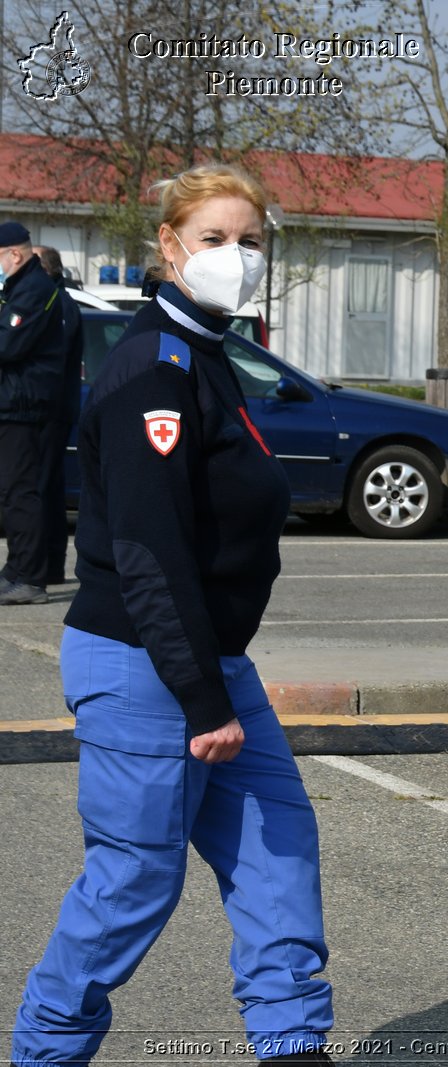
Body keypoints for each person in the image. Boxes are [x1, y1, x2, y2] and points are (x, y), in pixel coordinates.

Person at [8, 164, 335, 1067]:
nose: (240, 256)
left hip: (212, 662)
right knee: (133, 884)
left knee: (277, 848)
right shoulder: (154, 368)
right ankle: (43, 1053)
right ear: (169, 247)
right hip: (148, 666)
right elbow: (149, 553)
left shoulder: (204, 355)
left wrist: (214, 681)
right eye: (216, 239)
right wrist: (201, 698)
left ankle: (292, 1043)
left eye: (254, 239)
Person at [0, 222, 68, 605]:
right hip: (13, 403)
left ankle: (30, 577)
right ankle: (16, 568)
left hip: (24, 406)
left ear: (15, 254)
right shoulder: (18, 287)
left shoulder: (34, 290)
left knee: (21, 493)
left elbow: (8, 345)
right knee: (12, 493)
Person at [31, 245, 83, 586]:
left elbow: (51, 357)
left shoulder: (59, 305)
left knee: (41, 487)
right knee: (46, 487)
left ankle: (45, 565)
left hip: (50, 409)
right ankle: (49, 564)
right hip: (48, 407)